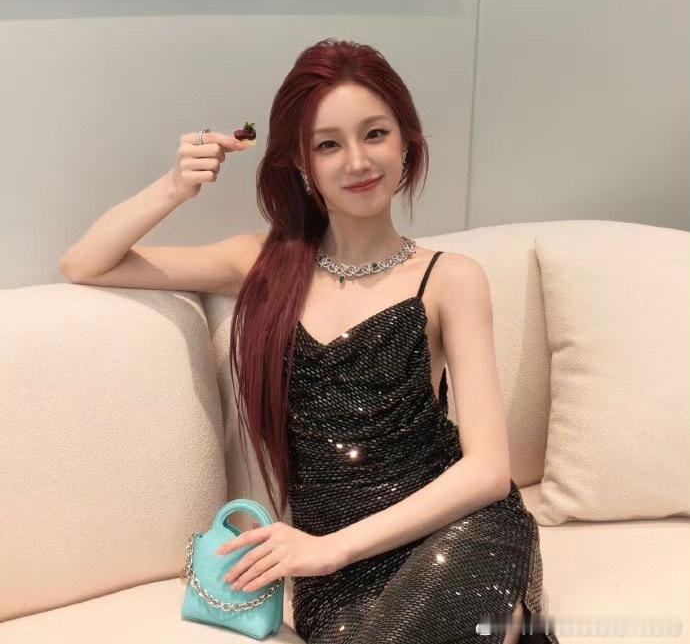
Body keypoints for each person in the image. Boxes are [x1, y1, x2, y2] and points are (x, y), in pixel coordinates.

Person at [60, 39, 559, 644]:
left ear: (406, 144)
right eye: (329, 144)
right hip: (332, 574)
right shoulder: (264, 265)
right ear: (302, 164)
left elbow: (487, 472)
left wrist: (331, 549)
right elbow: (86, 263)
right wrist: (175, 187)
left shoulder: (451, 278)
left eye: (375, 134)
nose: (358, 161)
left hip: (457, 531)